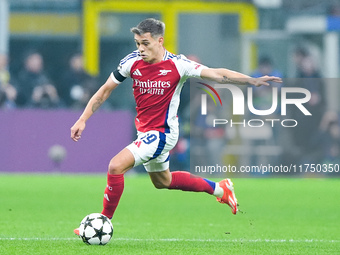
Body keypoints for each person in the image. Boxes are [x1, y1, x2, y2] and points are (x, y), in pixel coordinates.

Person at [71, 18, 282, 232]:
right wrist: (83, 119)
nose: (140, 49)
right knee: (163, 181)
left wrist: (251, 80)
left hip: (163, 133)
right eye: (137, 43)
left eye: (145, 43)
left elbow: (217, 74)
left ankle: (102, 223)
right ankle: (221, 189)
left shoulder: (178, 64)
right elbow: (106, 89)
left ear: (159, 41)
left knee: (115, 166)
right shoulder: (131, 61)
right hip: (144, 132)